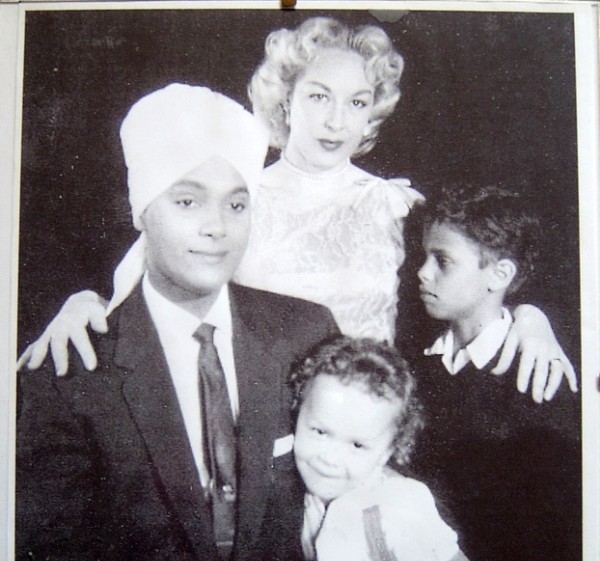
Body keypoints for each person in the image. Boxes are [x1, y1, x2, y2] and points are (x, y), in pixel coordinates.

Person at [19, 17, 576, 403]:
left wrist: (530, 317)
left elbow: (468, 284)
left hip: (368, 428)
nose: (337, 121)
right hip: (250, 427)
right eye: (318, 96)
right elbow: (136, 289)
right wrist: (81, 305)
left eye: (356, 103)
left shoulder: (395, 207)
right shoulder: (235, 197)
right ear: (285, 98)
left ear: (372, 113)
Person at [15, 83, 340, 561]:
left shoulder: (305, 332)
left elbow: (371, 489)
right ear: (141, 209)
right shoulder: (72, 371)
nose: (217, 228)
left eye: (237, 204)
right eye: (187, 202)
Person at [408, 186, 581, 561]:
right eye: (424, 257)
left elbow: (555, 539)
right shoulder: (417, 365)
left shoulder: (540, 379)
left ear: (499, 274)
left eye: (443, 261)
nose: (423, 273)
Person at [285, 336, 515, 561]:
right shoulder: (307, 499)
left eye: (358, 444)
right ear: (298, 411)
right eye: (319, 431)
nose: (329, 458)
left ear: (391, 450)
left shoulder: (398, 505)